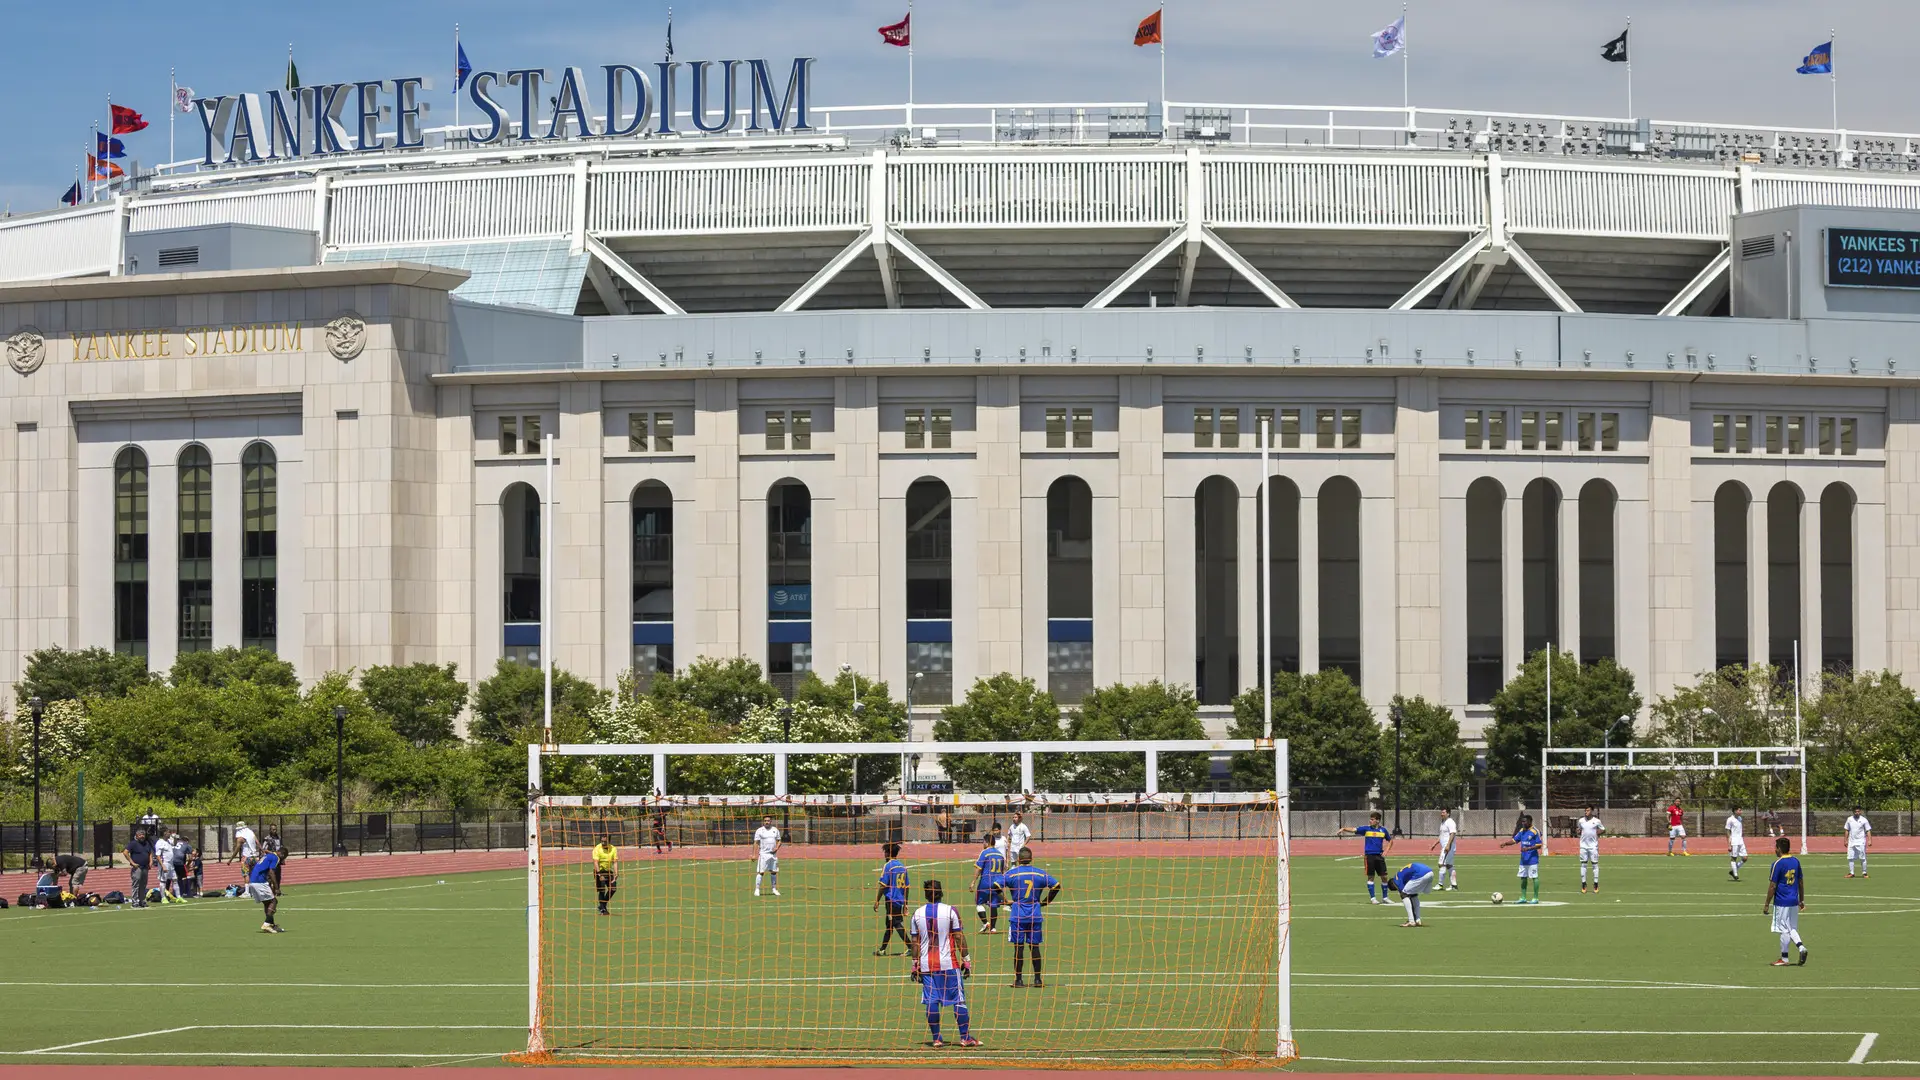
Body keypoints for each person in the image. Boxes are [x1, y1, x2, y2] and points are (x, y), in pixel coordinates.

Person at [907, 878, 979, 1048]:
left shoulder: (917, 913)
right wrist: (966, 960)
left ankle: (937, 1038)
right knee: (959, 1000)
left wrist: (914, 964)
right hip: (949, 964)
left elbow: (915, 942)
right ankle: (965, 1037)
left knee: (932, 1001)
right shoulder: (950, 911)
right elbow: (959, 937)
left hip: (926, 965)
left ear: (926, 894)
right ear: (941, 892)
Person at [1003, 848, 1061, 988]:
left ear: (1018, 859)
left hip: (1017, 915)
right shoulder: (1039, 873)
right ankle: (1037, 979)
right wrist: (1046, 901)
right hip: (1035, 914)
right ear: (1031, 859)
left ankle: (1018, 980)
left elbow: (995, 886)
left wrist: (1004, 900)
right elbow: (1056, 886)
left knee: (1019, 947)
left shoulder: (1012, 874)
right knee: (1035, 947)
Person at [1764, 835, 1807, 966]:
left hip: (1782, 901)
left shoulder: (1777, 864)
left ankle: (1784, 958)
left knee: (1783, 929)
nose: (1774, 850)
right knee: (1791, 927)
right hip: (1793, 901)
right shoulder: (1796, 861)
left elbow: (1773, 886)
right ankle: (1801, 947)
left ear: (1779, 849)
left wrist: (1766, 904)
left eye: (1775, 847)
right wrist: (1801, 900)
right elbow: (1800, 882)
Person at [1337, 811, 1394, 904]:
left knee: (1384, 877)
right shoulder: (1366, 829)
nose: (1370, 821)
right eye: (1370, 819)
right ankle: (1373, 898)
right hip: (1369, 856)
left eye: (1372, 819)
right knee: (1371, 877)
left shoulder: (1383, 830)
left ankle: (1385, 897)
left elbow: (1390, 840)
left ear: (1378, 821)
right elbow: (1354, 829)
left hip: (1379, 856)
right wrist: (1344, 829)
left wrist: (1386, 851)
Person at [873, 841, 909, 956]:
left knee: (896, 923)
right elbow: (906, 887)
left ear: (888, 853)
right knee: (889, 925)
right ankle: (882, 949)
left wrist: (877, 900)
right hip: (899, 900)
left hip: (891, 900)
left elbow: (883, 885)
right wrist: (905, 903)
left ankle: (911, 946)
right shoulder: (902, 866)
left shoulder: (888, 866)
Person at [970, 827, 1008, 933]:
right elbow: (1003, 870)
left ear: (986, 842)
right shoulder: (1000, 855)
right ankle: (993, 928)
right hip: (997, 883)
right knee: (993, 905)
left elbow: (979, 868)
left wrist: (973, 881)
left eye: (983, 842)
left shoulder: (985, 852)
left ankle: (985, 923)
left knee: (978, 903)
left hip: (986, 882)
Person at [1499, 814, 1543, 904]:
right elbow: (1515, 840)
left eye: (1525, 821)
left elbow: (1539, 845)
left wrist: (1528, 848)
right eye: (1522, 821)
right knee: (1523, 878)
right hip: (1523, 859)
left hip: (1532, 859)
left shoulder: (1535, 831)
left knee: (1534, 877)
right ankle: (1523, 897)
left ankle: (1535, 898)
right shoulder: (1522, 831)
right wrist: (1505, 843)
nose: (1523, 823)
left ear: (1530, 822)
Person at [1384, 861, 1437, 927]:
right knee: (1414, 895)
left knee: (1404, 894)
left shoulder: (1396, 880)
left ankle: (1411, 921)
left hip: (1421, 874)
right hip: (1430, 872)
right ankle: (1418, 920)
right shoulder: (1401, 875)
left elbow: (1403, 893)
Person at [250, 849, 285, 933]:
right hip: (259, 881)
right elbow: (271, 872)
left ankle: (271, 925)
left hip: (253, 881)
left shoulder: (268, 856)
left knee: (267, 903)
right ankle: (266, 924)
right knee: (273, 901)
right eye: (284, 857)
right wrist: (277, 888)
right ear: (282, 854)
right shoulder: (275, 857)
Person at [1575, 806, 1605, 894]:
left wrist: (1597, 833)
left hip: (1593, 846)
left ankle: (1595, 884)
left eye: (1587, 810)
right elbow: (1579, 829)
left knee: (1595, 865)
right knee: (1583, 864)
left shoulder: (1596, 821)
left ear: (1592, 811)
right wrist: (1578, 831)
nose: (1586, 812)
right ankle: (1583, 884)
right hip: (1583, 846)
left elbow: (1603, 829)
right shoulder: (1581, 821)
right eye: (1585, 810)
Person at [123, 827, 154, 909]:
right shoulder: (133, 843)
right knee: (136, 885)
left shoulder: (147, 843)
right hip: (137, 867)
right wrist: (132, 863)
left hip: (145, 867)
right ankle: (135, 902)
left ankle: (142, 901)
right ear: (136, 836)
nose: (142, 836)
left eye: (143, 834)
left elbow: (150, 853)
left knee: (143, 885)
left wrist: (150, 862)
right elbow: (125, 852)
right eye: (140, 835)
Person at [1430, 808, 1459, 890]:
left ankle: (1440, 884)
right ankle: (1454, 885)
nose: (1441, 814)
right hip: (1446, 847)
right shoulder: (1443, 822)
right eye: (1441, 812)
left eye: (1443, 812)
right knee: (1449, 865)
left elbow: (1452, 833)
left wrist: (1448, 845)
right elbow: (1442, 835)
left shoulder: (1450, 822)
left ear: (1448, 813)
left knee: (1441, 864)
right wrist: (1435, 844)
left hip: (1448, 847)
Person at [752, 815, 782, 897]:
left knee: (774, 872)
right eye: (765, 820)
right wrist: (754, 854)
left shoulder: (775, 830)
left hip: (773, 855)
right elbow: (756, 842)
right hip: (763, 854)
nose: (767, 822)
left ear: (771, 821)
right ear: (763, 821)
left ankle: (774, 889)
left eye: (768, 820)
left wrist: (776, 848)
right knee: (761, 872)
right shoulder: (759, 830)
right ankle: (757, 889)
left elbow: (779, 841)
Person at [592, 834, 619, 915]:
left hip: (608, 871)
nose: (603, 843)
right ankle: (603, 910)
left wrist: (616, 873)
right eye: (602, 841)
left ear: (609, 841)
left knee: (613, 889)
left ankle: (602, 905)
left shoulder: (613, 849)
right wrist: (599, 875)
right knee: (602, 890)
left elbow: (615, 862)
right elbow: (595, 862)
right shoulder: (597, 848)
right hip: (599, 871)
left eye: (605, 841)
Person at [154, 830, 182, 903]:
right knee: (163, 881)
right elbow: (158, 855)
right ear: (164, 833)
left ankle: (178, 897)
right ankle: (163, 898)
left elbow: (175, 844)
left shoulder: (169, 841)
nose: (170, 833)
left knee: (175, 879)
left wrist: (176, 838)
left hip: (171, 864)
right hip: (165, 863)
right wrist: (163, 866)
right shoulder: (159, 842)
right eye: (168, 832)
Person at [1843, 808, 1872, 878]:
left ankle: (1864, 873)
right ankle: (1851, 873)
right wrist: (1845, 840)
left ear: (1860, 812)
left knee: (1862, 857)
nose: (1857, 813)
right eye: (1855, 811)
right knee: (1850, 857)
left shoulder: (1864, 820)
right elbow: (1847, 830)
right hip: (1851, 842)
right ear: (1853, 812)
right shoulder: (1849, 819)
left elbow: (1868, 830)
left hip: (1861, 841)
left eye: (1858, 811)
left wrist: (1870, 840)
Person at [1725, 806, 1749, 882]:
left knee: (1745, 858)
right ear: (1735, 811)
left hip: (1741, 841)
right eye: (1739, 810)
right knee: (1734, 858)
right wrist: (1729, 844)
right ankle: (1735, 874)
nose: (1741, 811)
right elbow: (1727, 832)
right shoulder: (1730, 820)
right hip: (1734, 841)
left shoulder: (1739, 818)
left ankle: (1733, 871)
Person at [261, 825, 285, 896]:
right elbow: (263, 849)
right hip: (270, 860)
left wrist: (282, 857)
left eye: (275, 829)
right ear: (270, 830)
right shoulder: (267, 838)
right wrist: (272, 853)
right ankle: (269, 892)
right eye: (273, 829)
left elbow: (281, 847)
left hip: (278, 859)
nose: (274, 831)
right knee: (270, 876)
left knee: (278, 876)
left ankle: (277, 891)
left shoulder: (279, 837)